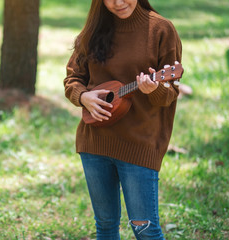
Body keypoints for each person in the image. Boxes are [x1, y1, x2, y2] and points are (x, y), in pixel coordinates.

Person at [63, 0, 182, 239]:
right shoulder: (94, 29)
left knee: (145, 231)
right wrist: (83, 96)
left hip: (138, 145)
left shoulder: (161, 30)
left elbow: (169, 94)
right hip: (95, 143)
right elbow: (73, 78)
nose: (118, 2)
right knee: (105, 226)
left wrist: (154, 89)